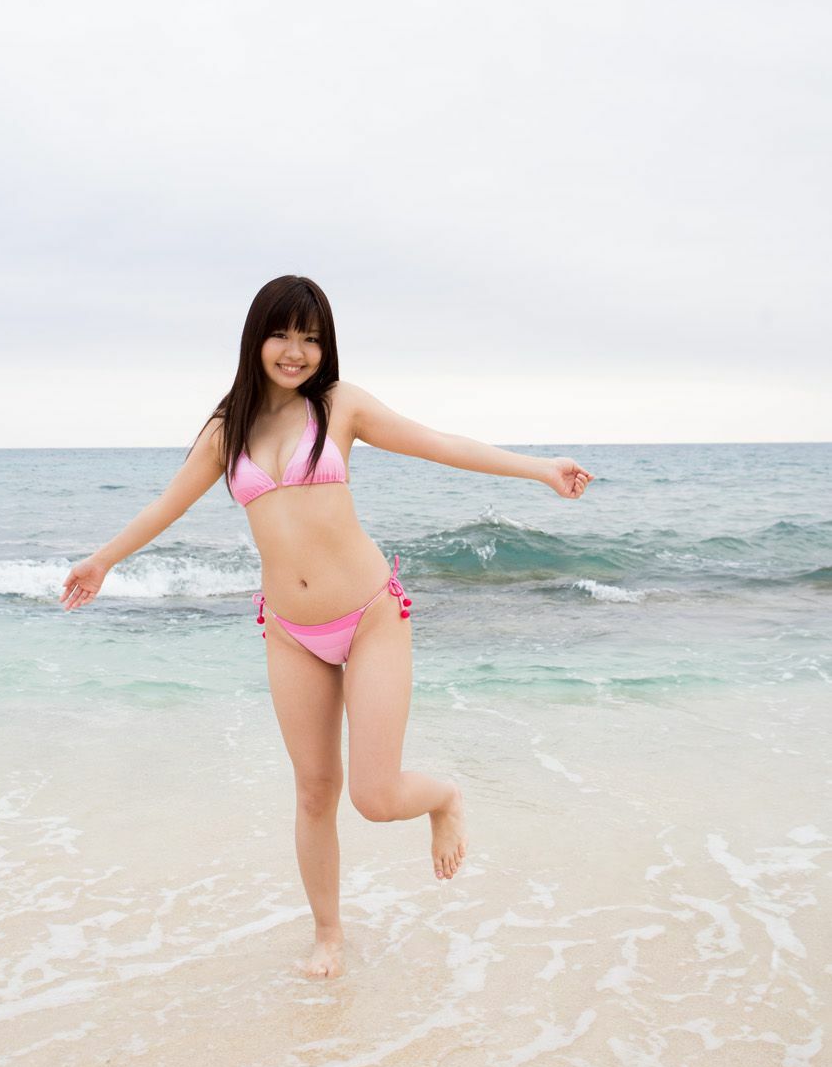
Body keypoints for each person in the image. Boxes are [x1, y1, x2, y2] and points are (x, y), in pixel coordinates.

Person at [60, 275, 595, 979]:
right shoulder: (226, 430)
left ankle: (442, 797)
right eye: (282, 335)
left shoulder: (340, 406)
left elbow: (436, 443)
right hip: (290, 631)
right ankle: (328, 935)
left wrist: (540, 469)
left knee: (374, 798)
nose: (296, 352)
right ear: (256, 339)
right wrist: (103, 560)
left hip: (370, 616)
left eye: (310, 339)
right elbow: (168, 505)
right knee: (314, 791)